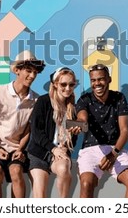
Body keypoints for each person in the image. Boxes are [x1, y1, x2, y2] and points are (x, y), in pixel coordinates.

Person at [0, 50, 45, 198]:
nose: (32, 76)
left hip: (17, 148)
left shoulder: (36, 100)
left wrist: (20, 149)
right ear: (17, 70)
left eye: (35, 72)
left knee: (16, 171)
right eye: (28, 71)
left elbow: (28, 130)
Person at [75, 64, 128, 198]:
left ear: (109, 79)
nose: (97, 83)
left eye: (101, 79)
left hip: (115, 149)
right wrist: (79, 124)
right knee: (86, 183)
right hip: (90, 149)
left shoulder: (119, 97)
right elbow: (82, 118)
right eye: (93, 80)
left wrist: (113, 154)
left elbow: (124, 130)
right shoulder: (84, 99)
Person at [27, 67, 81, 198]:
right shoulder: (43, 101)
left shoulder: (73, 107)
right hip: (39, 153)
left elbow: (74, 136)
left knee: (64, 168)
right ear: (55, 84)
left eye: (71, 84)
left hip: (59, 153)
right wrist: (53, 149)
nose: (67, 88)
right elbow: (36, 132)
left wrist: (65, 148)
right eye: (63, 84)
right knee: (40, 196)